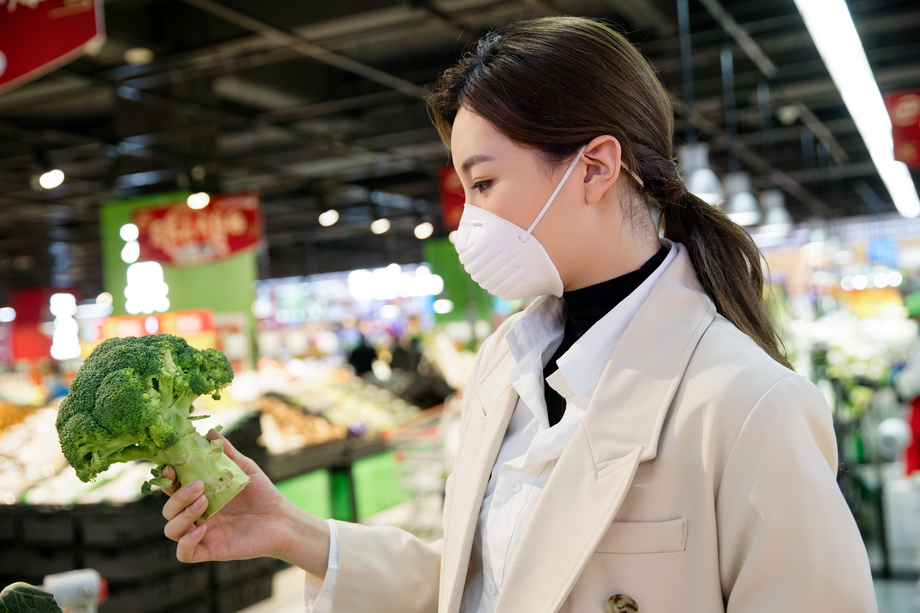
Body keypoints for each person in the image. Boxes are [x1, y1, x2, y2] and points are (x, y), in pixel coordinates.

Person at [159, 16, 877, 612]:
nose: (466, 222)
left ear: (595, 167)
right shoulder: (504, 364)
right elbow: (492, 582)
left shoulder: (748, 403)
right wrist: (291, 530)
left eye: (485, 183)